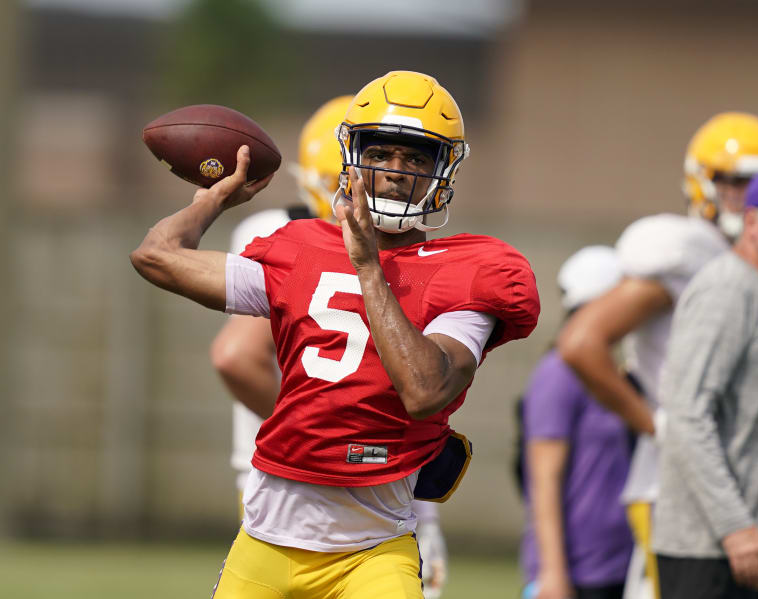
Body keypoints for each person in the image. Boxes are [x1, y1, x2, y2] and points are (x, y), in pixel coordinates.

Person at [130, 70, 540, 599]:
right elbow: (156, 257)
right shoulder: (298, 246)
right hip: (266, 542)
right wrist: (218, 198)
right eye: (382, 154)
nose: (395, 172)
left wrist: (368, 265)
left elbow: (424, 392)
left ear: (443, 171)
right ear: (353, 159)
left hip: (373, 550)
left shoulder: (469, 268)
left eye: (415, 158)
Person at [210, 94, 449, 598]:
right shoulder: (288, 235)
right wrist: (327, 427)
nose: (390, 174)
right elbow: (236, 357)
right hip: (302, 484)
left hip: (350, 485)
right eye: (379, 158)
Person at [557, 112, 758, 599]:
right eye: (733, 181)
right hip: (680, 483)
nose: (744, 194)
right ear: (702, 183)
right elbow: (581, 342)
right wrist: (658, 424)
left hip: (729, 474)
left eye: (754, 183)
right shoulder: (686, 251)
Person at [653, 170, 758, 598]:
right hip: (712, 550)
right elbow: (686, 415)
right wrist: (735, 527)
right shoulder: (727, 288)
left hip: (750, 542)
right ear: (752, 220)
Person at [520, 246, 633, 599]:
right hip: (578, 572)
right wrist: (553, 573)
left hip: (619, 565)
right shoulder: (559, 373)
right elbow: (543, 479)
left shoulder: (613, 370)